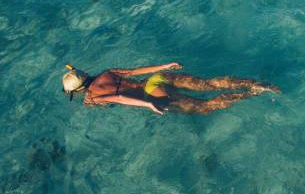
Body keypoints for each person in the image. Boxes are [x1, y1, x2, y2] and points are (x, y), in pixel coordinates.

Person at [61, 63, 279, 115]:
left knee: (206, 106)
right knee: (210, 84)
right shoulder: (107, 72)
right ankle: (256, 83)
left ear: (77, 90)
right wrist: (165, 65)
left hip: (151, 94)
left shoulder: (93, 97)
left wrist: (148, 103)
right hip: (156, 78)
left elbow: (119, 99)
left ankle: (252, 93)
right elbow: (136, 71)